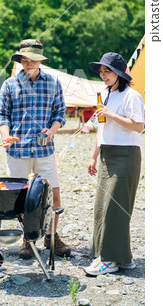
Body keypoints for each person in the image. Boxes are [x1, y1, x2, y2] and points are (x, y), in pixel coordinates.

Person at [0, 39, 71, 259]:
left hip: (44, 149)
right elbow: (2, 116)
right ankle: (27, 240)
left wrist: (52, 131)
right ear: (20, 60)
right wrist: (6, 136)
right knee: (21, 198)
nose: (28, 64)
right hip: (17, 151)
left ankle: (52, 236)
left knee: (53, 194)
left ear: (40, 61)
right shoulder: (9, 84)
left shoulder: (53, 83)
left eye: (32, 60)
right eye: (24, 60)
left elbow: (60, 114)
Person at [85, 52, 144, 276]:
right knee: (101, 207)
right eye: (101, 71)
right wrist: (93, 156)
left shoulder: (132, 96)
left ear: (119, 72)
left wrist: (111, 114)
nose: (103, 75)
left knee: (115, 209)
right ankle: (121, 257)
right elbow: (102, 127)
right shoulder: (103, 93)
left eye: (107, 71)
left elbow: (138, 126)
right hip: (106, 153)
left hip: (126, 154)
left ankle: (110, 260)